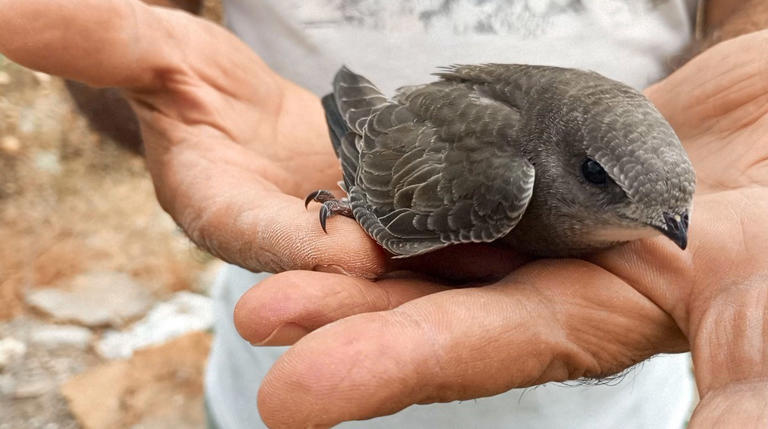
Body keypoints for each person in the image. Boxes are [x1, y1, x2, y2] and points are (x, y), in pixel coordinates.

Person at [2, 1, 768, 427]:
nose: (673, 233)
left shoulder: (638, 187)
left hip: (630, 400)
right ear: (570, 167)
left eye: (674, 209)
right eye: (604, 183)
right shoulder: (497, 178)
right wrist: (151, 95)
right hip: (297, 358)